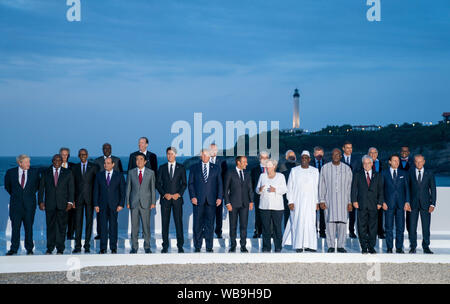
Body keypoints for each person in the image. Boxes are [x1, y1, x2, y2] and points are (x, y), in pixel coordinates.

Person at [282, 151, 319, 252]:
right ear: (300, 159)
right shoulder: (294, 171)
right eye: (302, 158)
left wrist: (317, 202)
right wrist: (290, 201)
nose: (304, 160)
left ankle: (310, 245)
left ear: (309, 159)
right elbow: (289, 187)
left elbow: (317, 187)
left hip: (311, 202)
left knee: (310, 223)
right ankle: (298, 245)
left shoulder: (315, 171)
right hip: (297, 202)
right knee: (298, 222)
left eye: (306, 158)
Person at [38, 154, 75, 255]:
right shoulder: (46, 173)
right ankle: (49, 248)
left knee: (62, 227)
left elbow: (71, 189)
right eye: (55, 160)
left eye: (59, 160)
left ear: (62, 162)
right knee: (50, 227)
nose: (57, 162)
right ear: (52, 161)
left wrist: (70, 202)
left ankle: (60, 248)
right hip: (49, 204)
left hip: (63, 204)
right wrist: (40, 201)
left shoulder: (68, 173)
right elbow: (41, 189)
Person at [188, 149, 223, 252]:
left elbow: (219, 184)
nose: (204, 157)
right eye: (202, 155)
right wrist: (192, 196)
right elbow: (191, 184)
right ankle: (197, 246)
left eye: (206, 155)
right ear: (200, 156)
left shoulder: (216, 168)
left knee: (210, 225)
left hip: (211, 200)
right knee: (197, 224)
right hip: (198, 201)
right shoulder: (194, 168)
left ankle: (209, 246)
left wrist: (220, 197)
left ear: (209, 156)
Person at [4, 155, 40, 255]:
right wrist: (18, 195)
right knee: (15, 228)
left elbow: (37, 186)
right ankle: (14, 249)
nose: (29, 164)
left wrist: (27, 196)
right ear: (20, 163)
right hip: (16, 206)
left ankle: (29, 249)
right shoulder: (10, 173)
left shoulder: (34, 172)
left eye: (29, 162)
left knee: (29, 227)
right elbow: (8, 187)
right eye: (26, 162)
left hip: (29, 205)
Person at [319, 148, 353, 253]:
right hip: (329, 200)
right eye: (334, 154)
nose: (336, 156)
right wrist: (321, 200)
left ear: (341, 156)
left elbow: (349, 187)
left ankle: (341, 245)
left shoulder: (347, 169)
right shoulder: (325, 168)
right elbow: (322, 185)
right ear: (331, 156)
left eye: (338, 154)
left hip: (344, 201)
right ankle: (331, 245)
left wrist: (350, 202)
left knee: (342, 224)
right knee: (330, 223)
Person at [156, 147, 187, 253]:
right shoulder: (162, 167)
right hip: (165, 200)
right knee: (165, 223)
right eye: (168, 154)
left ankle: (180, 246)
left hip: (177, 200)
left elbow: (184, 184)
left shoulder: (181, 168)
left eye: (172, 154)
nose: (170, 155)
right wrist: (165, 194)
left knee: (179, 223)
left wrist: (178, 194)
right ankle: (165, 246)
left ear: (175, 155)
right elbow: (158, 184)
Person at [351, 155, 384, 254]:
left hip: (374, 205)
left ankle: (371, 247)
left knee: (373, 227)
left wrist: (380, 202)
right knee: (361, 227)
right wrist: (354, 201)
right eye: (364, 163)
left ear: (372, 164)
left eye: (368, 163)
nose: (366, 165)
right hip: (361, 204)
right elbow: (354, 189)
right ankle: (364, 247)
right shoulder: (357, 174)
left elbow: (381, 190)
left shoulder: (377, 175)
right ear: (362, 164)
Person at [93, 157, 126, 254]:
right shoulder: (99, 175)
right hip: (102, 205)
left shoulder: (119, 176)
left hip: (114, 205)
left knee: (113, 227)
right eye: (105, 163)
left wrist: (121, 204)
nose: (106, 165)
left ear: (113, 164)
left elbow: (122, 191)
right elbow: (96, 191)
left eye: (108, 163)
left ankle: (113, 247)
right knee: (103, 227)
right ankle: (103, 248)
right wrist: (96, 204)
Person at [126, 153, 156, 254]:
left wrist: (153, 202)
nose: (139, 161)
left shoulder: (150, 173)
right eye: (137, 159)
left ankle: (147, 246)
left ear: (145, 161)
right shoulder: (131, 173)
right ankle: (134, 247)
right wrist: (128, 202)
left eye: (141, 159)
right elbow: (128, 189)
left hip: (146, 203)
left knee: (146, 226)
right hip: (134, 203)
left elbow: (152, 189)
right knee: (134, 226)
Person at [256, 159, 287, 253]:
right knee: (266, 227)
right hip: (264, 206)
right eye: (266, 166)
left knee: (277, 227)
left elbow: (285, 190)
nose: (267, 167)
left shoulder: (280, 176)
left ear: (274, 166)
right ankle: (266, 247)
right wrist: (259, 189)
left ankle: (278, 247)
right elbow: (257, 189)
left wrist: (275, 190)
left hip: (277, 207)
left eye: (269, 165)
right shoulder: (262, 176)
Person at [93, 142, 123, 240]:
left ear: (111, 149)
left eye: (108, 148)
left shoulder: (117, 160)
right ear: (102, 149)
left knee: (113, 222)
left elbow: (121, 178)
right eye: (105, 148)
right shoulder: (97, 161)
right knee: (101, 219)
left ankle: (112, 238)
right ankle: (100, 234)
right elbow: (95, 178)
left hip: (113, 198)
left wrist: (120, 202)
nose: (107, 150)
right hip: (102, 196)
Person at [224, 156, 254, 253]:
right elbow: (225, 190)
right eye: (244, 162)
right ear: (238, 162)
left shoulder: (247, 173)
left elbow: (250, 189)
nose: (246, 164)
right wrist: (227, 203)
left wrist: (251, 201)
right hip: (233, 204)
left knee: (243, 226)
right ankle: (233, 246)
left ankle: (243, 246)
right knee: (233, 226)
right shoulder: (230, 173)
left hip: (244, 204)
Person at [407, 154, 436, 254]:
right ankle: (413, 246)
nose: (418, 163)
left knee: (426, 227)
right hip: (413, 204)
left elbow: (433, 189)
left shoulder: (429, 173)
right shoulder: (410, 172)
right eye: (416, 161)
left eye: (420, 161)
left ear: (424, 161)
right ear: (414, 162)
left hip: (426, 204)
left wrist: (433, 204)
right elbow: (407, 189)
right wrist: (407, 202)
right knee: (412, 227)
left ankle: (426, 246)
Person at [72, 148, 99, 253]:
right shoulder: (75, 168)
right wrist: (72, 200)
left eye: (84, 154)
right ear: (79, 156)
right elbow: (72, 185)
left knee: (89, 223)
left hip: (90, 199)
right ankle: (77, 246)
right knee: (78, 223)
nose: (83, 156)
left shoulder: (94, 167)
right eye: (81, 154)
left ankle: (87, 245)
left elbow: (97, 184)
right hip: (78, 199)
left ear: (87, 155)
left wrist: (96, 199)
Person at [382, 154, 410, 253]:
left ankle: (399, 248)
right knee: (388, 227)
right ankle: (389, 247)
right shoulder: (384, 173)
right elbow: (381, 189)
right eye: (394, 160)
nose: (396, 162)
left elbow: (407, 189)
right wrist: (382, 202)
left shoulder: (404, 173)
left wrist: (407, 201)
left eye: (398, 161)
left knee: (400, 227)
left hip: (400, 205)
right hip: (388, 204)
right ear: (389, 162)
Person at [209, 143, 228, 239]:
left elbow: (225, 177)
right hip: (208, 192)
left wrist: (223, 193)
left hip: (219, 192)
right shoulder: (206, 160)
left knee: (218, 213)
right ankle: (208, 231)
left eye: (214, 149)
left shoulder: (222, 162)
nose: (213, 151)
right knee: (208, 213)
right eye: (211, 149)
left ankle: (218, 231)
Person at [342, 141, 360, 239]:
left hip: (353, 189)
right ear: (343, 148)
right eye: (347, 147)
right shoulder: (339, 159)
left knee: (352, 212)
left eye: (351, 147)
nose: (350, 149)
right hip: (341, 190)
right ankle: (341, 231)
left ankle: (351, 231)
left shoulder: (356, 160)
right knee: (341, 212)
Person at [250, 151, 270, 238]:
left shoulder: (272, 169)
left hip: (270, 196)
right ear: (259, 159)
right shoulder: (254, 170)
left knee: (269, 215)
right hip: (258, 196)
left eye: (266, 158)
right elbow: (251, 184)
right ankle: (258, 231)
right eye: (263, 158)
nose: (264, 160)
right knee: (258, 214)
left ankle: (270, 232)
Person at [368, 147, 385, 239]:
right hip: (368, 192)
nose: (373, 154)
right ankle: (369, 232)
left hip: (379, 192)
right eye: (371, 153)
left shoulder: (382, 164)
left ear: (377, 154)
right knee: (368, 214)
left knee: (379, 213)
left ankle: (380, 231)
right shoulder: (364, 163)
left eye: (375, 152)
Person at [310, 146, 327, 238]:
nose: (319, 154)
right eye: (317, 153)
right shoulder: (310, 164)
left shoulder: (326, 163)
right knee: (313, 213)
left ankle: (322, 231)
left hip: (324, 192)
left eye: (321, 153)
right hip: (313, 192)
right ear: (314, 154)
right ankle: (314, 230)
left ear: (323, 153)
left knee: (323, 213)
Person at [59, 147, 76, 240]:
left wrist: (73, 199)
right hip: (59, 197)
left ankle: (70, 235)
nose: (64, 156)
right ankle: (61, 235)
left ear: (68, 156)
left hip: (70, 196)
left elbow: (75, 183)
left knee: (71, 217)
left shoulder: (73, 166)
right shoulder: (55, 165)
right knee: (60, 218)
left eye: (66, 155)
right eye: (62, 154)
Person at [279, 150, 298, 228]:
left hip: (297, 194)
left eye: (293, 155)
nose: (292, 157)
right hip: (286, 195)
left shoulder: (299, 166)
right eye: (290, 156)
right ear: (286, 157)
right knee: (287, 214)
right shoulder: (282, 167)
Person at [399, 145, 414, 234]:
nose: (404, 152)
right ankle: (400, 231)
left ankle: (409, 231)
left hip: (410, 192)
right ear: (400, 152)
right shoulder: (396, 161)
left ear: (409, 152)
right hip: (399, 192)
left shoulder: (413, 162)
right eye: (402, 151)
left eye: (406, 151)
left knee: (410, 214)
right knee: (399, 214)